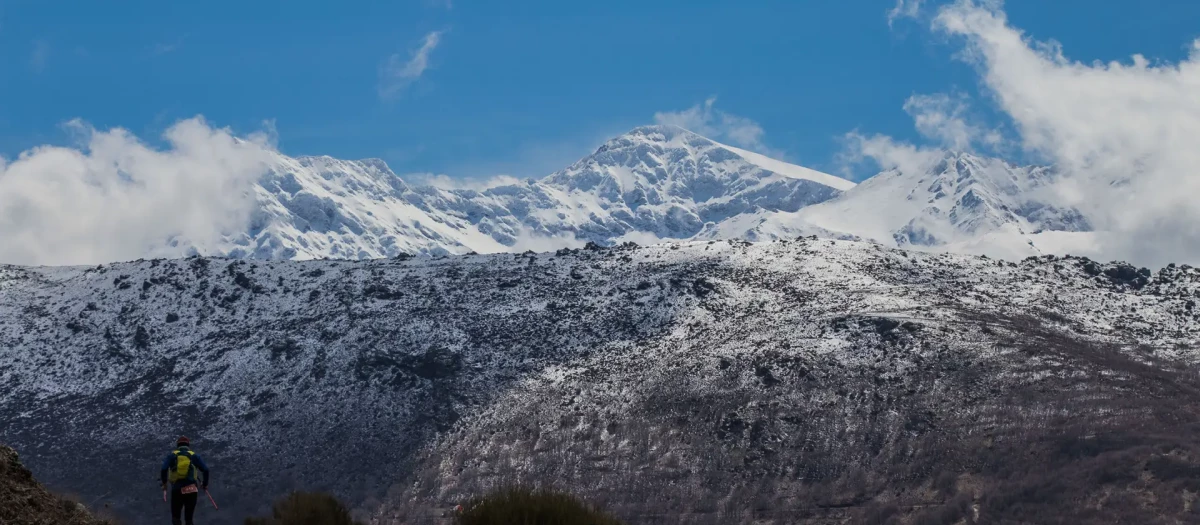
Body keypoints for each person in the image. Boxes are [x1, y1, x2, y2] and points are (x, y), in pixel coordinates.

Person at [160, 436, 210, 525]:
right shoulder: (194, 456)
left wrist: (164, 483)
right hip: (191, 488)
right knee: (189, 518)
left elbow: (164, 469)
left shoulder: (172, 455)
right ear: (188, 445)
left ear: (178, 445)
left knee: (176, 517)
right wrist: (205, 484)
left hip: (177, 488)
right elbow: (206, 470)